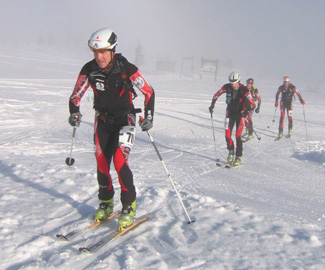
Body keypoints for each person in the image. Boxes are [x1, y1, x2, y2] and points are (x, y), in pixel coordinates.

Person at [68, 28, 155, 230]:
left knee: (119, 160)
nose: (99, 57)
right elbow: (75, 96)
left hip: (126, 119)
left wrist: (149, 117)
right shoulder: (89, 69)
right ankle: (106, 202)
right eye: (95, 52)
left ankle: (128, 205)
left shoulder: (126, 68)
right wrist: (74, 112)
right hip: (103, 121)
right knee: (101, 162)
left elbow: (149, 92)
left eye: (103, 52)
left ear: (112, 51)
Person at [209, 72, 255, 166]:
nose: (233, 85)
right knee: (227, 134)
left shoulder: (244, 90)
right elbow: (216, 95)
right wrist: (212, 105)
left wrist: (247, 111)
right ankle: (231, 152)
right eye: (231, 83)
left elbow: (253, 104)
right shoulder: (227, 87)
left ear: (239, 81)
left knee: (238, 136)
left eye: (235, 83)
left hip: (240, 115)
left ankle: (238, 156)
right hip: (229, 113)